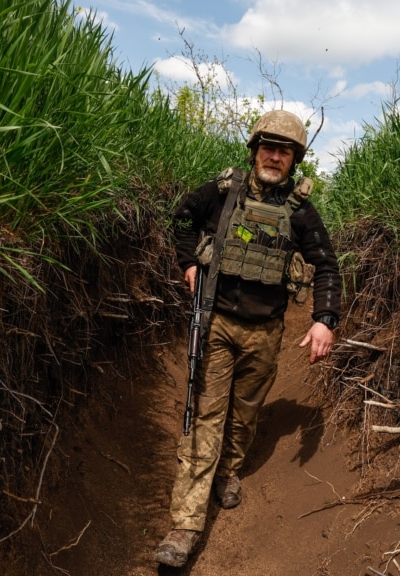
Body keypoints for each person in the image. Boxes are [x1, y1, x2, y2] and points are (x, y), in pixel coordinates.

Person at [155, 110, 342, 568]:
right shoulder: (222, 192)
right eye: (268, 147)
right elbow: (180, 220)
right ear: (255, 148)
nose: (274, 157)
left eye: (284, 151)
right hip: (215, 324)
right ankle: (184, 527)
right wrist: (188, 263)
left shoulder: (300, 212)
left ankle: (230, 470)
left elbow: (328, 266)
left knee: (244, 416)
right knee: (205, 418)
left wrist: (325, 320)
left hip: (266, 332)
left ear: (294, 160)